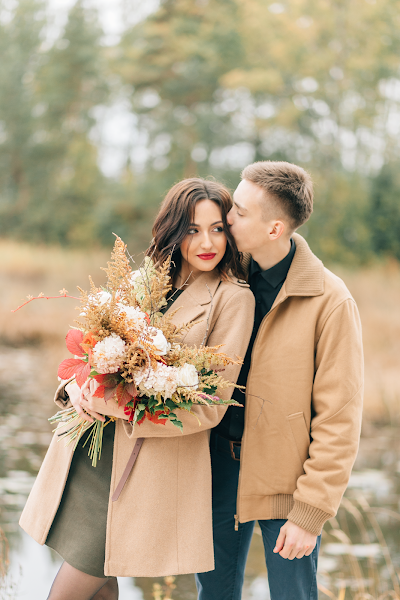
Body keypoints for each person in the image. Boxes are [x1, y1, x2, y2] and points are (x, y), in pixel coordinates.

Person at [19, 178, 255, 600]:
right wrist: (73, 388)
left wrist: (121, 405)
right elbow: (89, 348)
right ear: (172, 229)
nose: (207, 241)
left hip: (143, 465)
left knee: (76, 584)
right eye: (192, 229)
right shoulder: (143, 278)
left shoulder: (233, 298)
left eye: (217, 228)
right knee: (101, 583)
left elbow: (212, 405)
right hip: (87, 452)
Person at [196, 161, 364, 600]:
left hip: (288, 485)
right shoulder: (220, 277)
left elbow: (340, 420)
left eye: (240, 212)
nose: (226, 218)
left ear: (274, 229)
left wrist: (311, 513)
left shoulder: (331, 301)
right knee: (213, 595)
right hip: (215, 469)